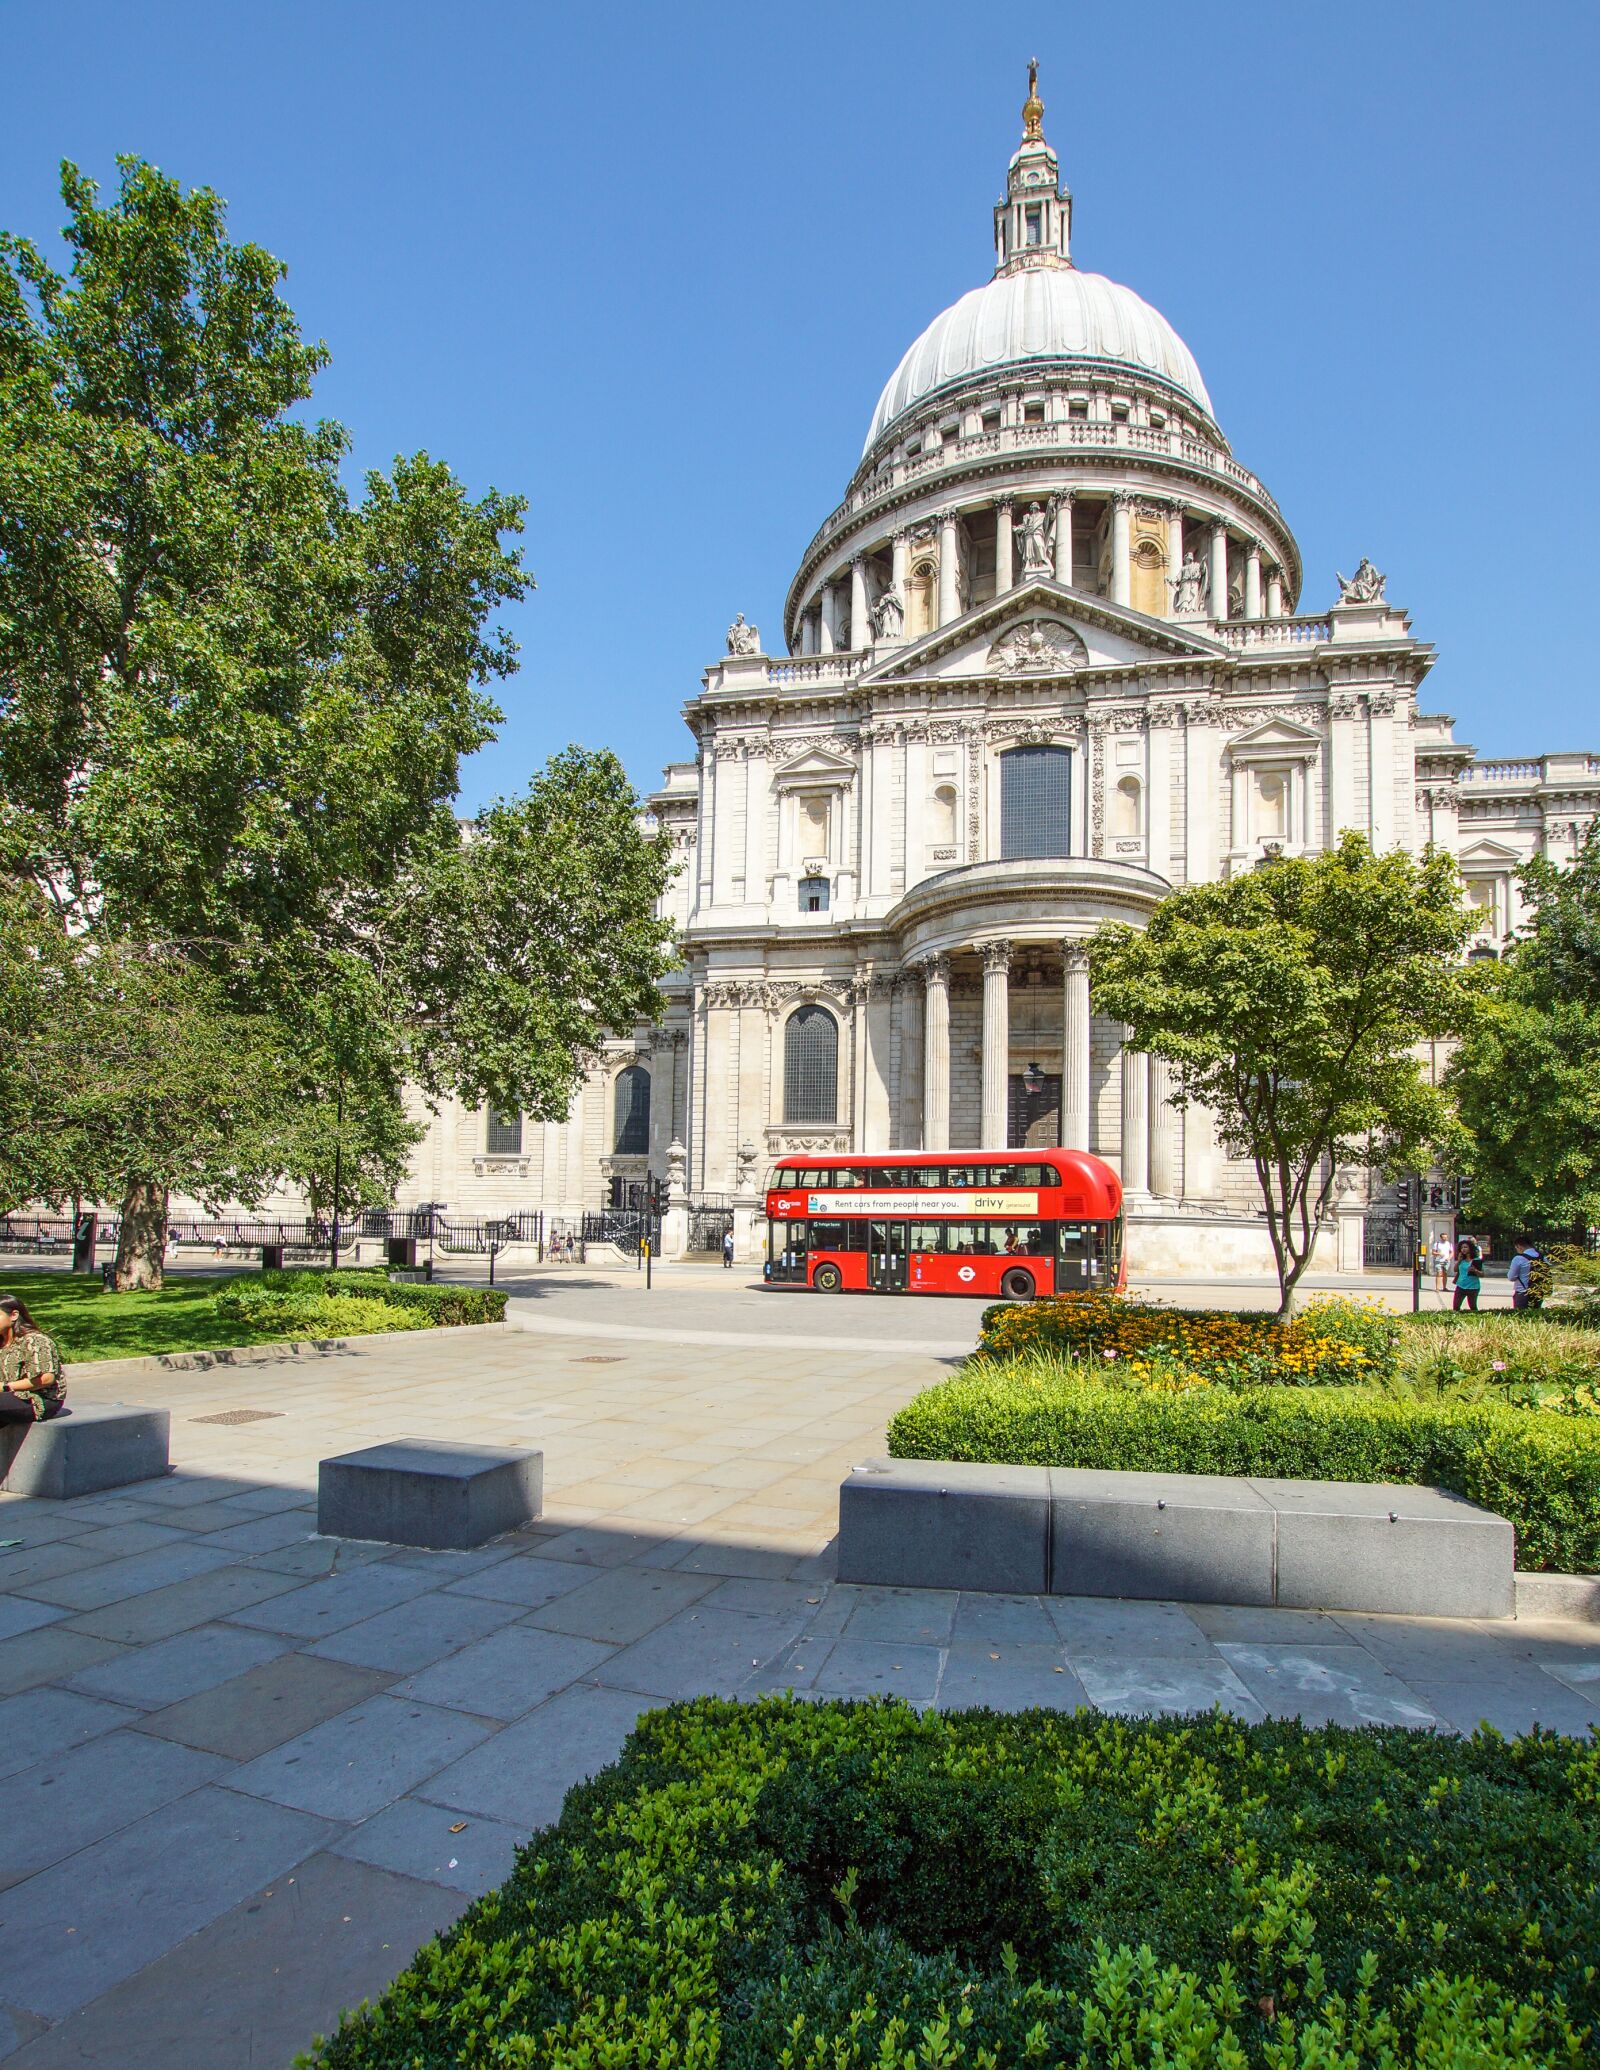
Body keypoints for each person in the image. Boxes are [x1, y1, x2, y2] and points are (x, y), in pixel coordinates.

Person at [0, 1295, 67, 1426]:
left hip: (40, 1399)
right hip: (8, 1397)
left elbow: (46, 1379)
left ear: (13, 1315)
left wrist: (5, 1387)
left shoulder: (34, 1341)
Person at [1452, 1240, 1482, 1314]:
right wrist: (1459, 1261)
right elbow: (1455, 1270)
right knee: (1456, 1306)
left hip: (1473, 1287)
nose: (1463, 1249)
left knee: (1473, 1306)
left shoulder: (1476, 1260)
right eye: (1462, 1248)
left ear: (1470, 1248)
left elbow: (1482, 1274)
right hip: (1461, 1286)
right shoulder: (1461, 1260)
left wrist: (1475, 1270)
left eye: (1465, 1247)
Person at [1506, 1243, 1536, 1311]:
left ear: (1519, 1246)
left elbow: (1511, 1277)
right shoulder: (1542, 1257)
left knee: (1520, 1314)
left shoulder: (1519, 1258)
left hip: (1522, 1292)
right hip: (1538, 1292)